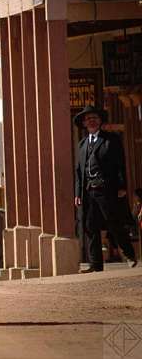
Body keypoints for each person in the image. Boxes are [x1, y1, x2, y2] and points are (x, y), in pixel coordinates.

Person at [74, 105, 137, 273]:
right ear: (84, 124)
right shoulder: (82, 144)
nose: (91, 121)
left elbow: (120, 164)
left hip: (106, 189)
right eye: (88, 119)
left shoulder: (111, 139)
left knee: (114, 223)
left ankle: (129, 254)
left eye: (94, 118)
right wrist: (77, 193)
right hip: (88, 192)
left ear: (100, 121)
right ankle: (95, 265)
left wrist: (122, 185)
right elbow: (79, 171)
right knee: (90, 227)